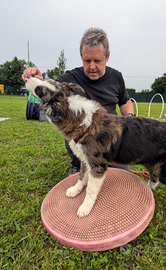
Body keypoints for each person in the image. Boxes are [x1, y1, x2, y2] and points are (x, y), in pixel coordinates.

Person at [22, 27, 135, 176]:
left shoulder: (116, 77)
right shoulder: (70, 78)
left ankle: (111, 163)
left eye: (97, 61)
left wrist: (130, 117)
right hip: (81, 147)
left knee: (123, 180)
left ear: (107, 57)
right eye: (87, 61)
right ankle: (76, 166)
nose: (92, 66)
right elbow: (51, 92)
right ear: (81, 56)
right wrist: (39, 81)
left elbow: (125, 101)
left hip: (110, 145)